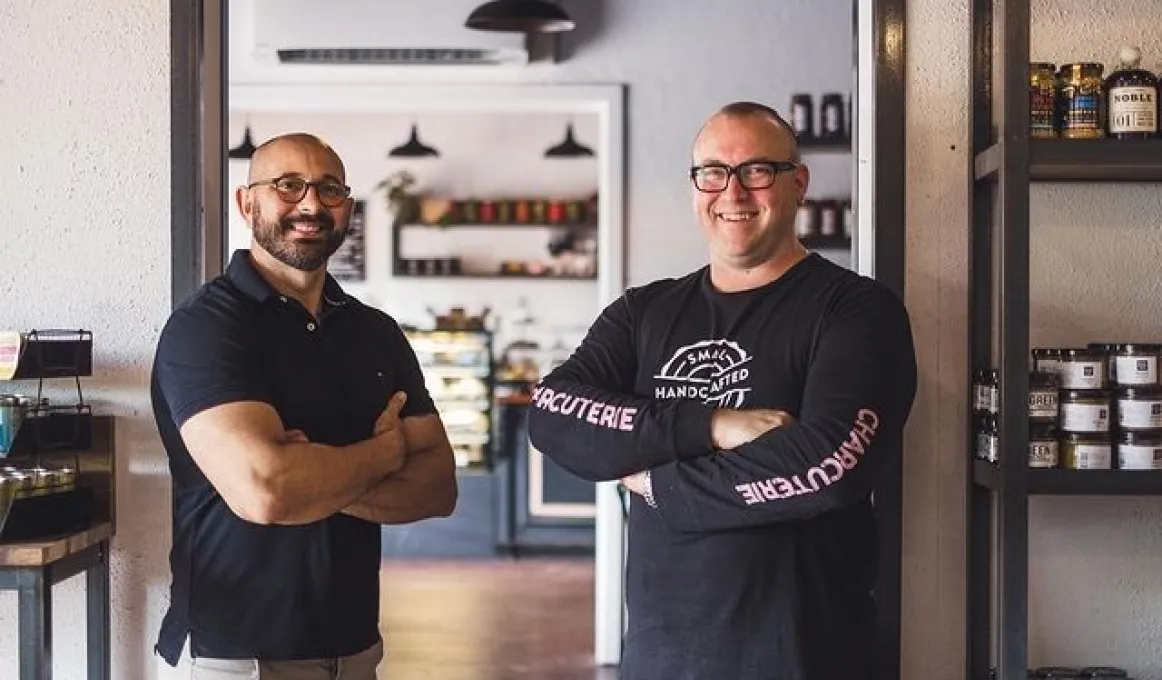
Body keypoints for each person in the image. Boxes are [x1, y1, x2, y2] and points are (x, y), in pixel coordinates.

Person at [527, 102, 917, 680]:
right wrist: (710, 426)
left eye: (756, 170)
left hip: (805, 655)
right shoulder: (644, 312)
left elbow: (831, 464)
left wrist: (657, 480)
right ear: (694, 187)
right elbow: (554, 414)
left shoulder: (856, 310)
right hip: (662, 658)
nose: (732, 193)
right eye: (712, 172)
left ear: (798, 182)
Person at [150, 132, 457, 679]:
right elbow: (268, 491)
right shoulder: (208, 327)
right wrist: (384, 454)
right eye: (288, 185)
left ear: (348, 208)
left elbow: (438, 485)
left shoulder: (375, 333)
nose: (311, 204)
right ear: (248, 204)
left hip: (356, 645)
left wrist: (312, 475)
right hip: (240, 653)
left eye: (329, 189)